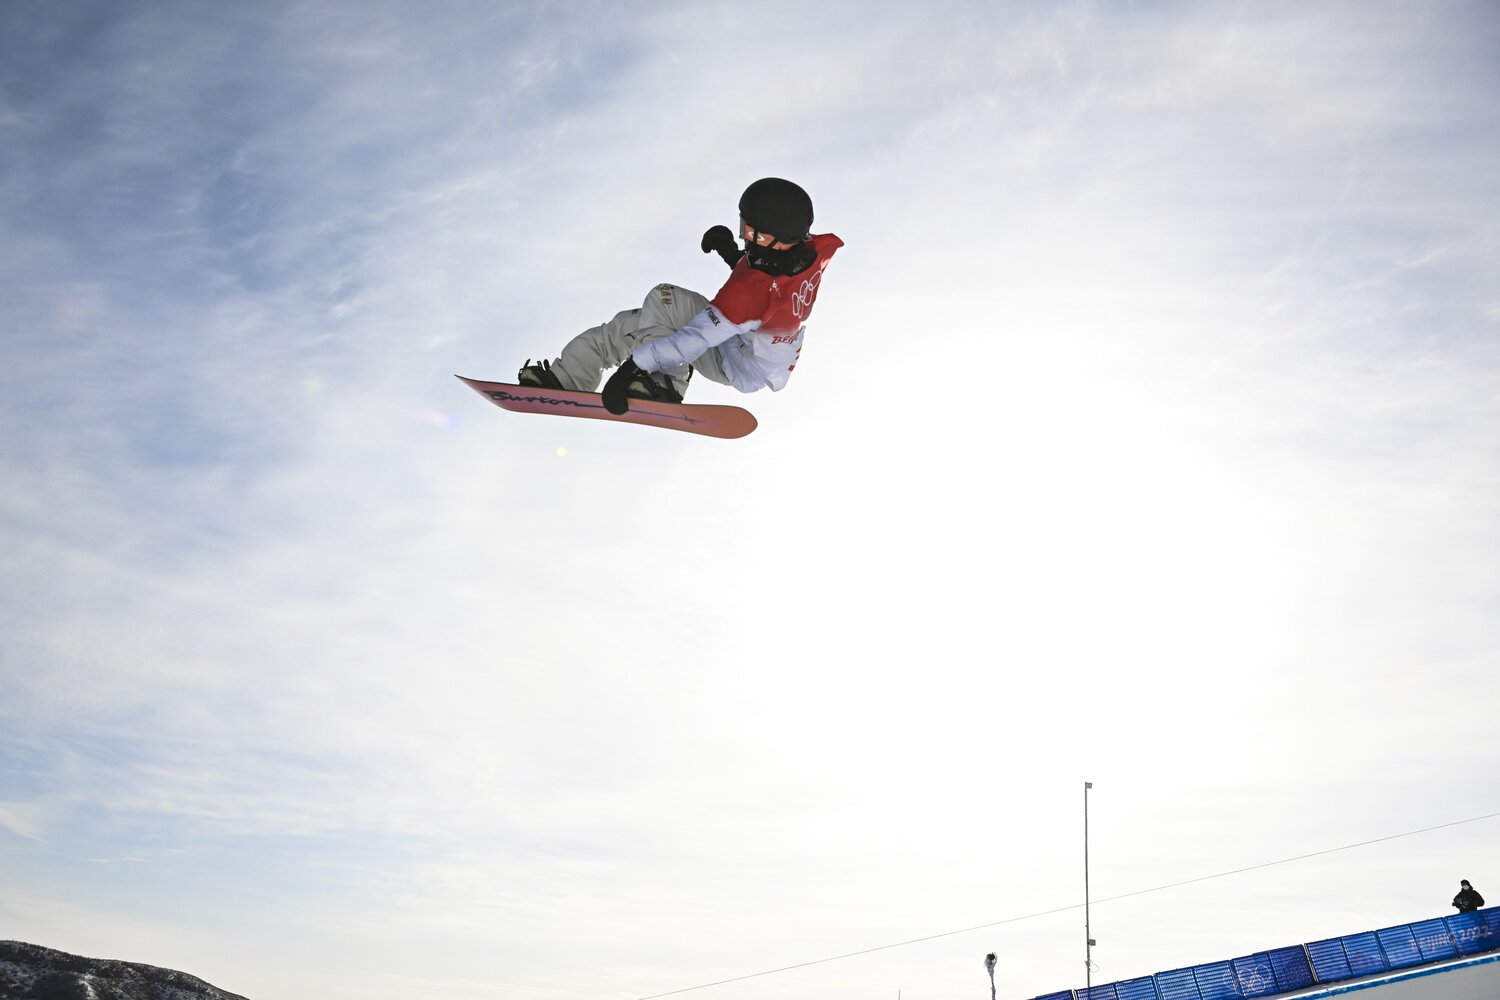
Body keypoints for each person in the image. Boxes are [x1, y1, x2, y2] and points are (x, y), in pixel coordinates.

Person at [518, 177, 843, 413]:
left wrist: (631, 369)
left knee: (664, 299)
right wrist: (732, 254)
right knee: (632, 326)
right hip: (751, 349)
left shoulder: (748, 295)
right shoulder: (809, 251)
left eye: (749, 231)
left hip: (736, 361)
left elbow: (694, 339)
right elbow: (772, 289)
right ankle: (566, 378)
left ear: (772, 237)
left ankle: (663, 383)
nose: (744, 236)